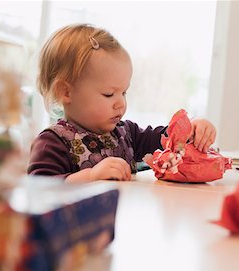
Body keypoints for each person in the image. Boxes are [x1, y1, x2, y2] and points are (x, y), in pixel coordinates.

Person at [28, 24, 216, 182]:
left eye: (123, 92)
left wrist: (191, 128)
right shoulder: (52, 142)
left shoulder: (126, 133)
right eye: (109, 94)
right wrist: (91, 176)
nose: (120, 103)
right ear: (66, 92)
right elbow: (39, 188)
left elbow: (165, 138)